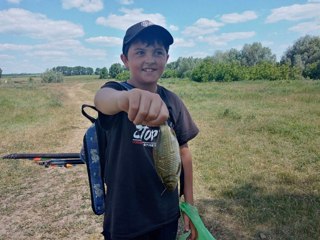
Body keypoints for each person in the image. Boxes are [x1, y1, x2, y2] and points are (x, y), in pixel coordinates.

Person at [94, 20, 199, 240]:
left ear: (167, 59)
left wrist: (189, 205)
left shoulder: (172, 101)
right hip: (125, 216)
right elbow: (103, 100)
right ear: (125, 60)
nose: (150, 59)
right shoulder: (115, 90)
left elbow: (184, 153)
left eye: (158, 52)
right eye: (140, 52)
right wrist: (126, 99)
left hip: (166, 214)